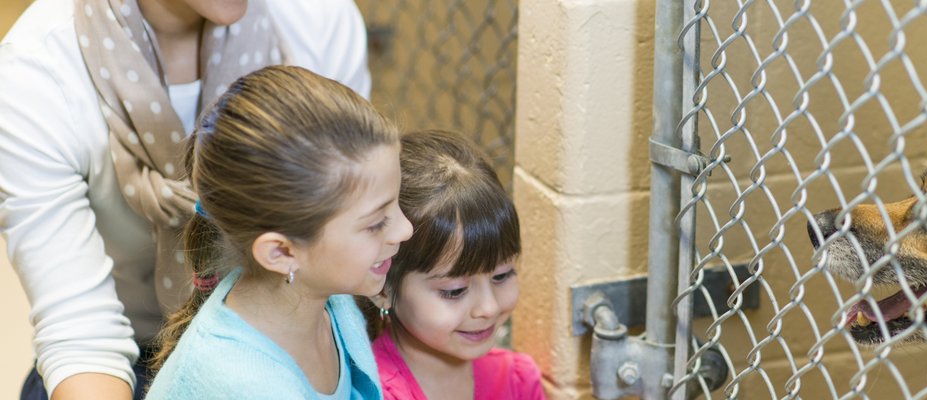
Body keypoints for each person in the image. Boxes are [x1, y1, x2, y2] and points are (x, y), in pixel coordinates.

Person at [0, 0, 370, 398]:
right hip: (126, 363)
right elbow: (83, 335)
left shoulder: (317, 19)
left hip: (288, 343)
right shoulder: (35, 71)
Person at [145, 65, 410, 398]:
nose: (405, 229)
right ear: (281, 253)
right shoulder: (245, 384)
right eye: (376, 222)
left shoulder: (328, 298)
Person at [361, 129, 545, 400]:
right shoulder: (371, 392)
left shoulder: (517, 380)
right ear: (383, 289)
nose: (489, 308)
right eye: (455, 291)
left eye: (502, 275)